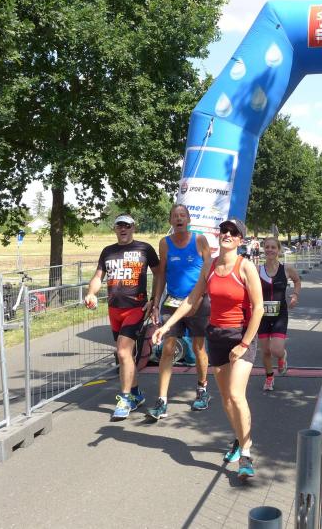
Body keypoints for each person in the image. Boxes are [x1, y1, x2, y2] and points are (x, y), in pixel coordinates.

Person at [152, 218, 264, 480]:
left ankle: (246, 453)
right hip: (217, 336)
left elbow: (258, 308)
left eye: (233, 232)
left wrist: (244, 344)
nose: (227, 234)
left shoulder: (245, 266)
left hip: (241, 336)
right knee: (225, 398)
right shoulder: (210, 266)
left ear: (240, 239)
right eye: (224, 231)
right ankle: (239, 438)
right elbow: (191, 300)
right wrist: (165, 326)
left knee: (236, 394)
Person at [84, 214, 160, 420]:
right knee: (126, 355)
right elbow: (98, 277)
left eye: (127, 225)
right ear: (115, 229)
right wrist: (91, 293)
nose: (123, 229)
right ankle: (136, 394)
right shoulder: (108, 251)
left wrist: (154, 300)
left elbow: (159, 274)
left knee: (123, 351)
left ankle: (125, 399)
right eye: (120, 226)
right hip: (114, 310)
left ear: (134, 227)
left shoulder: (144, 249)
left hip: (136, 308)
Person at [146, 204, 212, 420]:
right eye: (175, 216)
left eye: (183, 215)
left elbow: (209, 271)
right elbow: (161, 274)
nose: (179, 218)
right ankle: (162, 400)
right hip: (172, 301)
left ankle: (202, 389)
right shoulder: (164, 243)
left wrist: (201, 296)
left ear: (189, 219)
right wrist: (156, 302)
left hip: (198, 301)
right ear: (170, 221)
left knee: (198, 347)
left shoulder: (200, 240)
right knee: (167, 349)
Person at [258, 237, 301, 391]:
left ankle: (282, 356)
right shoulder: (257, 270)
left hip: (280, 315)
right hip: (262, 315)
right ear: (264, 249)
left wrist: (295, 295)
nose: (270, 250)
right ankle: (269, 377)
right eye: (267, 247)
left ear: (278, 250)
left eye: (273, 247)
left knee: (275, 350)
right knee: (265, 351)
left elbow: (297, 281)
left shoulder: (286, 269)